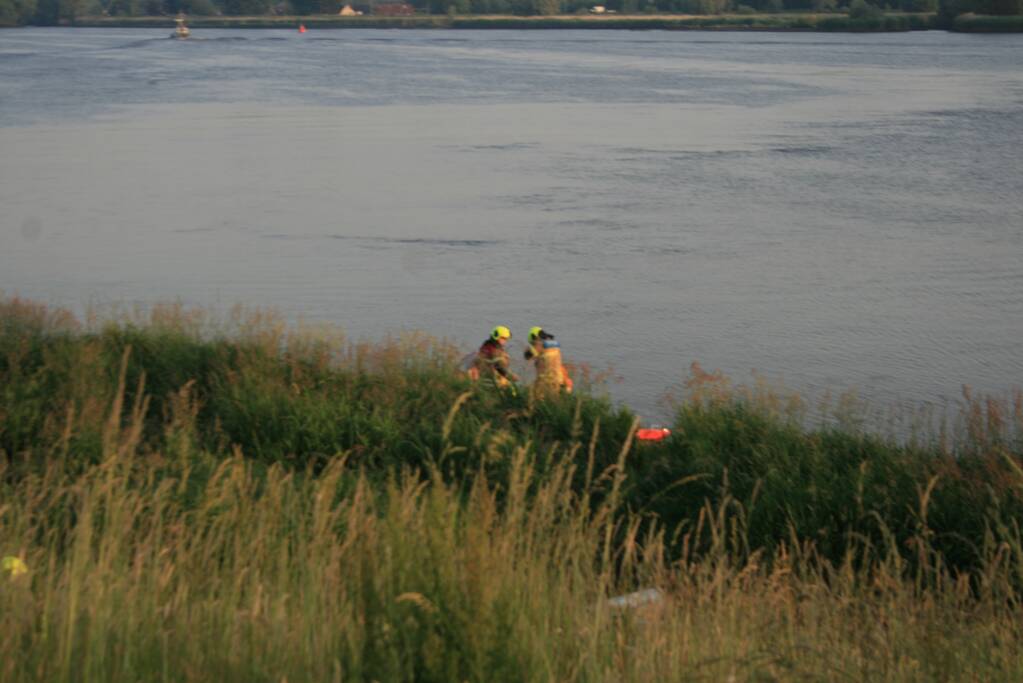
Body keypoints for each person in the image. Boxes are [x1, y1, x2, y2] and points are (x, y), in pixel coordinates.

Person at [523, 326, 573, 399]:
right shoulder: (554, 346)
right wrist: (566, 379)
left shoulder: (538, 344)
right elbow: (560, 366)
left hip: (545, 380)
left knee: (534, 398)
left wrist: (528, 349)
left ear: (534, 337)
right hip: (559, 379)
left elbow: (527, 356)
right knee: (554, 401)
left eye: (532, 343)